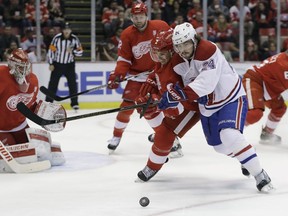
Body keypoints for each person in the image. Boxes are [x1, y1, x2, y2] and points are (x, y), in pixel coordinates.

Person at [158, 22, 273, 192]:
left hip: (230, 98)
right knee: (219, 147)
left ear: (194, 40)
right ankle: (248, 153)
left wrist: (179, 95)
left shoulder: (207, 50)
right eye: (178, 45)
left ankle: (261, 176)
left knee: (229, 135)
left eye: (186, 43)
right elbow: (183, 87)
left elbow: (206, 83)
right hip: (208, 107)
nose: (182, 49)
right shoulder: (177, 61)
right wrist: (169, 95)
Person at [106, 2, 182, 157]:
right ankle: (116, 136)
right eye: (135, 16)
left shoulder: (160, 26)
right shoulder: (127, 34)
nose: (138, 19)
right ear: (131, 17)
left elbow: (173, 47)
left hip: (159, 74)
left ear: (146, 15)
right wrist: (118, 74)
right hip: (138, 76)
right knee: (126, 106)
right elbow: (124, 59)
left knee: (162, 107)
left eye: (141, 16)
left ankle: (170, 140)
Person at [135, 29, 200, 182]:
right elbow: (157, 73)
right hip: (182, 102)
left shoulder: (178, 69)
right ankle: (153, 165)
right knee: (163, 133)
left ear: (173, 51)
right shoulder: (164, 61)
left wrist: (156, 103)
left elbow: (177, 107)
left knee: (222, 140)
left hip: (194, 105)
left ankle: (247, 158)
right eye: (155, 53)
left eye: (162, 53)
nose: (158, 57)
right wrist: (150, 87)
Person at [0, 48, 66, 172]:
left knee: (36, 152)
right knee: (17, 154)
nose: (24, 71)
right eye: (20, 67)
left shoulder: (33, 80)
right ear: (11, 65)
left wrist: (45, 115)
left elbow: (30, 105)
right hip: (1, 128)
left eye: (26, 67)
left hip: (20, 126)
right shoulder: (1, 75)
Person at [242, 51, 288, 144]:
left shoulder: (284, 59)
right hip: (254, 80)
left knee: (279, 108)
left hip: (268, 87)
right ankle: (229, 131)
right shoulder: (284, 65)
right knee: (255, 114)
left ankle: (267, 134)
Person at [46, 22, 83, 111]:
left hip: (69, 65)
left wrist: (73, 51)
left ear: (70, 30)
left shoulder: (74, 39)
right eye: (65, 29)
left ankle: (74, 103)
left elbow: (80, 52)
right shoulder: (57, 38)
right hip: (57, 64)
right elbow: (51, 51)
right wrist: (51, 63)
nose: (66, 31)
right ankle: (48, 102)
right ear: (62, 30)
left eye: (68, 29)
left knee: (72, 85)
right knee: (53, 84)